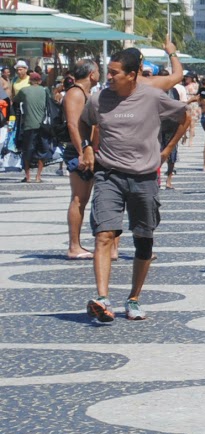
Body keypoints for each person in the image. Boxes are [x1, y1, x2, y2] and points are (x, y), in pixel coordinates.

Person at [78, 47, 190, 324]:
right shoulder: (98, 100)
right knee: (103, 235)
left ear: (132, 75)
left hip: (144, 178)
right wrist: (87, 147)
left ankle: (134, 297)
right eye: (108, 72)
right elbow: (83, 123)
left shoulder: (152, 96)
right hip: (109, 175)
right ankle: (103, 299)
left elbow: (185, 116)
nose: (109, 78)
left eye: (114, 73)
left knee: (144, 241)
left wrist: (167, 151)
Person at [61, 57, 99, 259]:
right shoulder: (75, 93)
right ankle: (74, 246)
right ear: (92, 74)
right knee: (79, 198)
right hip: (79, 151)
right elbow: (73, 125)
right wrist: (82, 150)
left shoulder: (84, 93)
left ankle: (78, 244)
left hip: (86, 149)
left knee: (83, 198)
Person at [12, 64, 50, 183]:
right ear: (39, 81)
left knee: (27, 150)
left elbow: (15, 100)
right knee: (42, 150)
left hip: (28, 125)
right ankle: (38, 177)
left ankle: (27, 177)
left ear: (30, 80)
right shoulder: (45, 91)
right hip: (42, 126)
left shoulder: (24, 90)